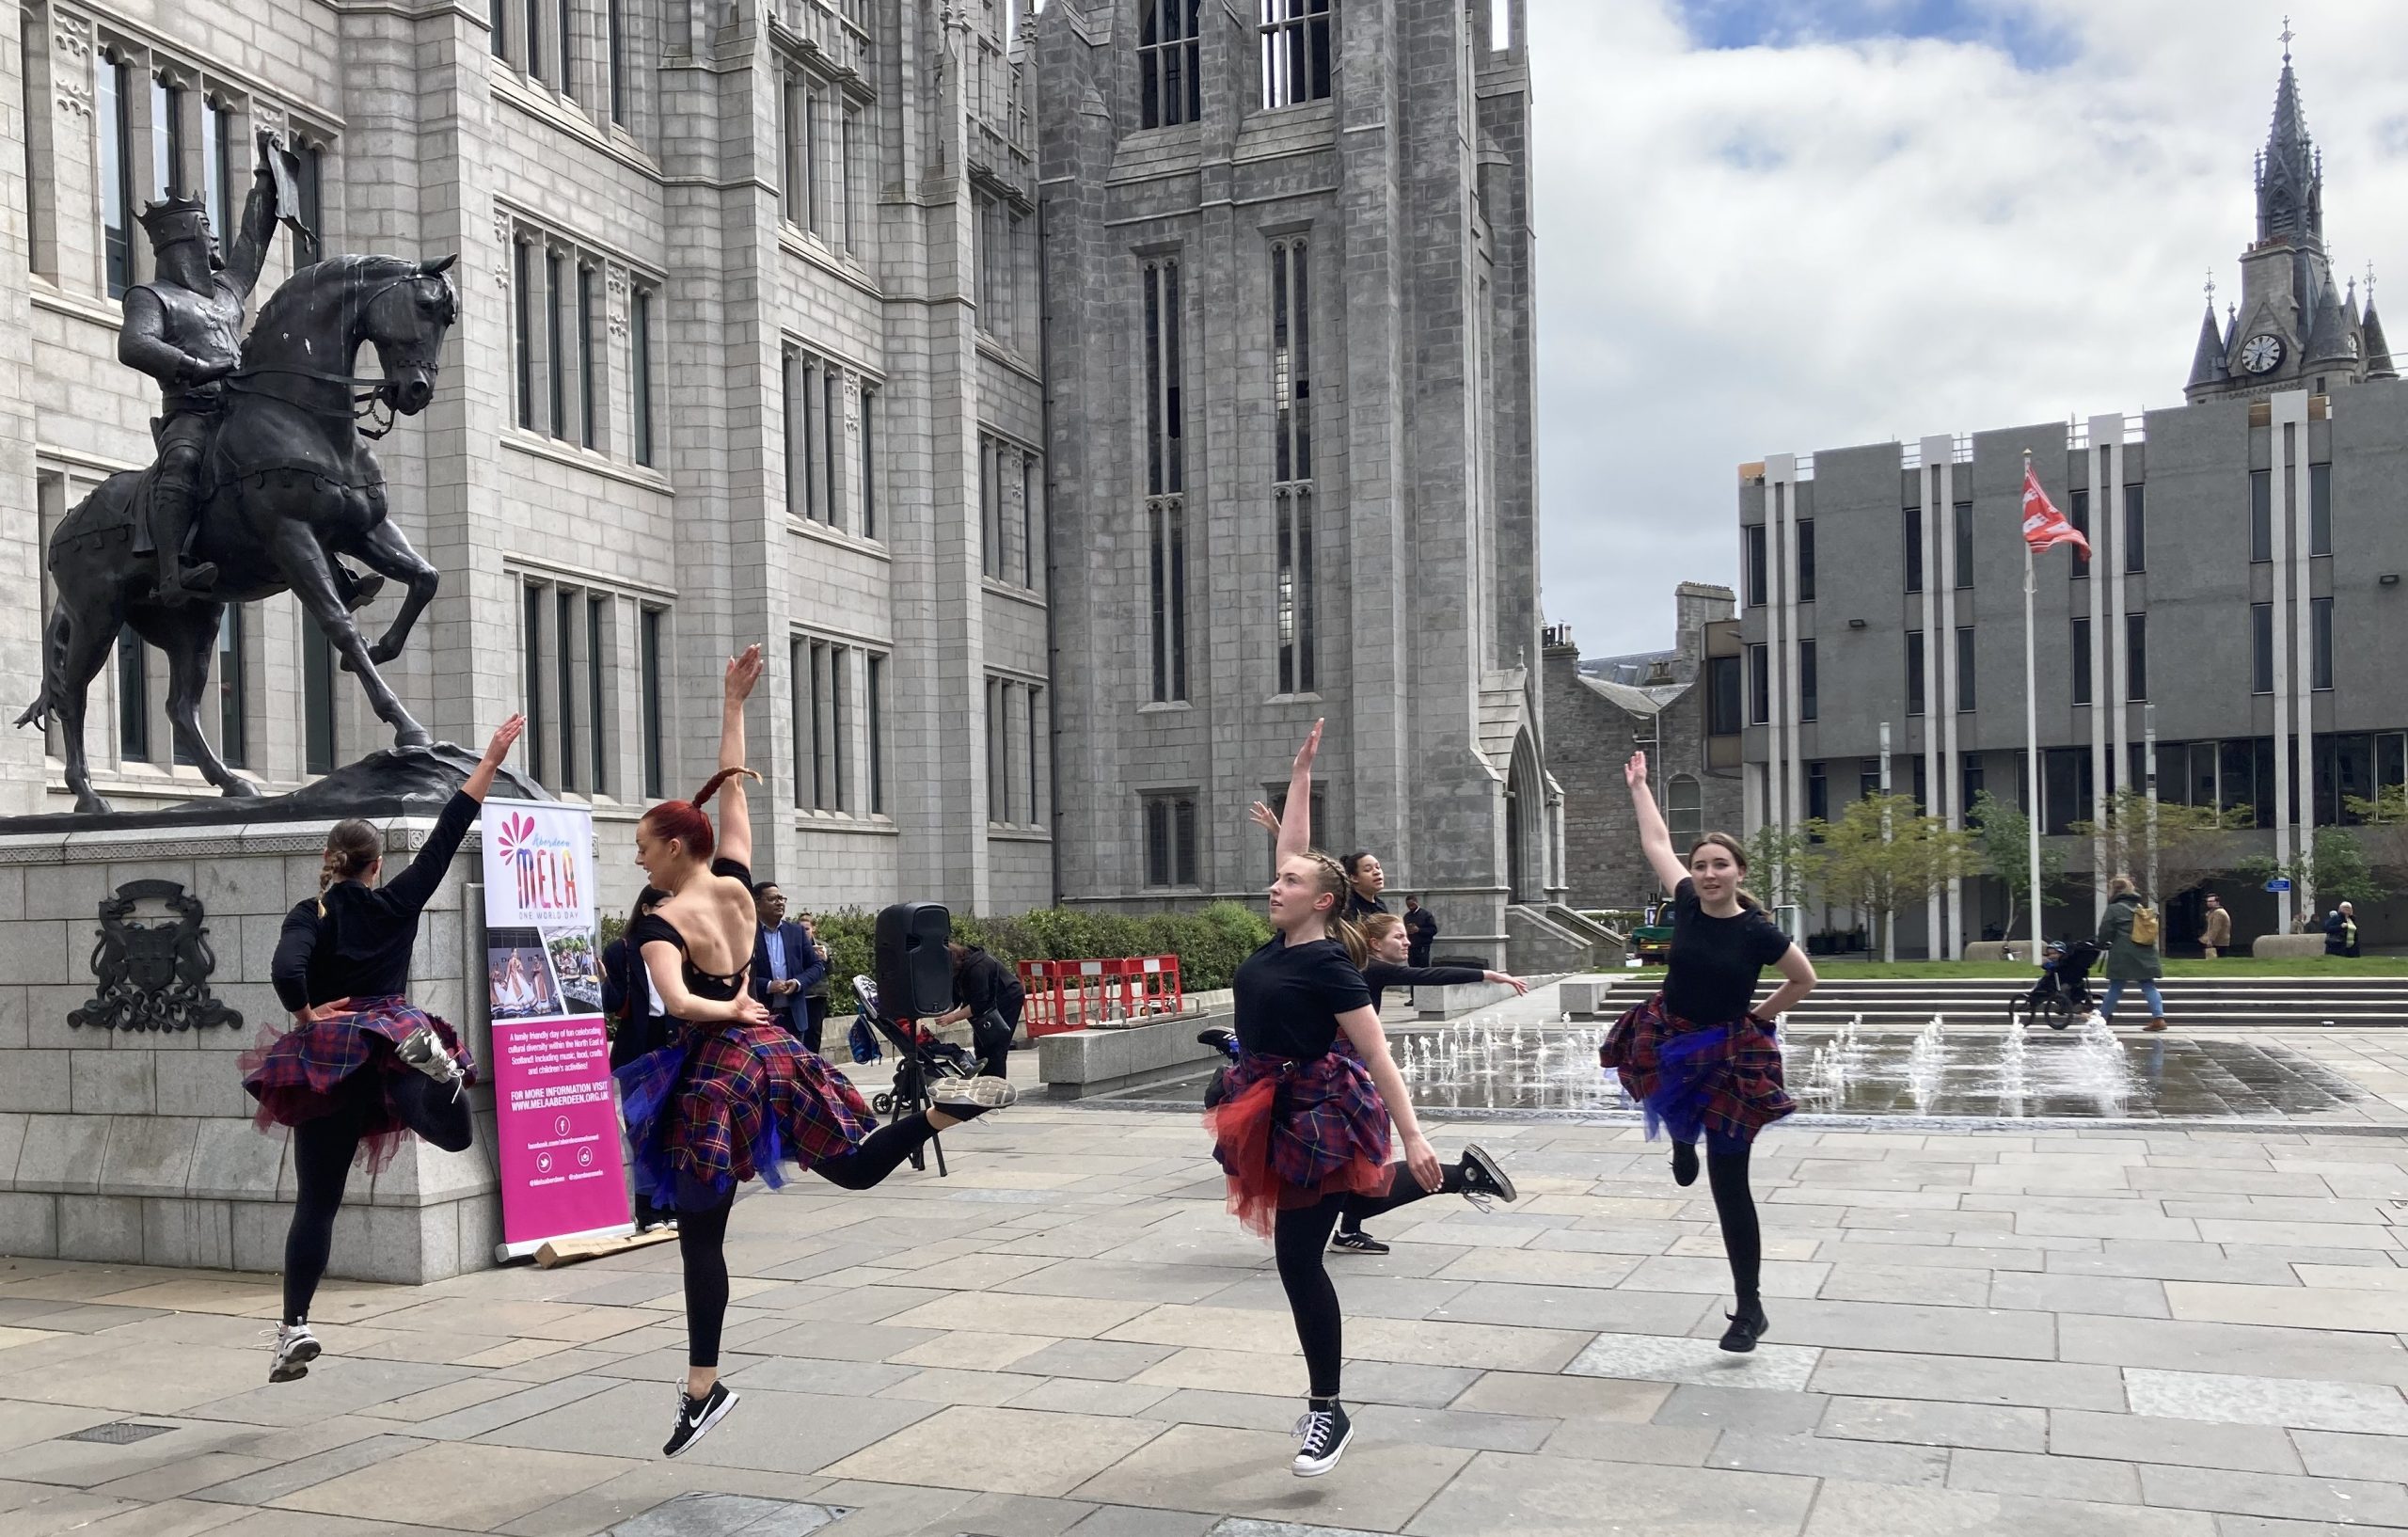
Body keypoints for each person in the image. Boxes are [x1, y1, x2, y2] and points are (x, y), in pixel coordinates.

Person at [616, 646, 1015, 1459]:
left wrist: (719, 1003)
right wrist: (733, 705)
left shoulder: (664, 918)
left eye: (644, 846)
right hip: (773, 1048)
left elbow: (680, 1001)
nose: (638, 858)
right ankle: (944, 1107)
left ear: (673, 848)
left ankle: (703, 1386)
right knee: (854, 1165)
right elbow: (733, 791)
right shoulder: (732, 882)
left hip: (718, 1066)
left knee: (701, 1237)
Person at [1205, 721, 1517, 1478]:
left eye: (1289, 883)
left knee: (1298, 1257)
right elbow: (1297, 846)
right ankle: (1463, 1180)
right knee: (1326, 1224)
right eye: (1277, 880)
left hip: (1316, 1108)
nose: (1274, 886)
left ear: (1322, 902)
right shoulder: (1281, 940)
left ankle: (1327, 1410)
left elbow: (1377, 1051)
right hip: (1266, 1097)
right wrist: (1303, 770)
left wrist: (1414, 1135)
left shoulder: (1331, 966)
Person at [242, 715, 525, 1385]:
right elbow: (450, 830)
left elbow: (286, 972)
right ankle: (441, 1086)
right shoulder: (397, 900)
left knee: (317, 1201)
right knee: (438, 1125)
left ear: (329, 861)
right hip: (394, 1035)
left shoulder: (308, 914)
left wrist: (307, 1010)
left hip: (332, 1053)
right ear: (376, 866)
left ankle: (296, 1326)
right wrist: (490, 756)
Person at [1600, 752, 1817, 1355]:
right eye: (1701, 866)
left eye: (1720, 865)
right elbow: (1656, 841)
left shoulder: (1758, 931)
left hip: (1728, 1054)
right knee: (1661, 1090)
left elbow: (1804, 980)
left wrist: (1758, 1019)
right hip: (1669, 1035)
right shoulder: (1688, 902)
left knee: (1731, 1184)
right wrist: (1640, 785)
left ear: (1740, 871)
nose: (1708, 874)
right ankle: (1678, 1137)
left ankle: (1749, 1309)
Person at [606, 887, 674, 1231]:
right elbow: (613, 1002)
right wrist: (600, 981)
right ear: (646, 909)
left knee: (671, 1125)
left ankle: (670, 1205)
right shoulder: (622, 950)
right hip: (637, 1045)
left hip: (672, 1042)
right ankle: (647, 1211)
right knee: (641, 1129)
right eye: (665, 906)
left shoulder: (678, 945)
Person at [933, 941, 1025, 1079]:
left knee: (996, 1043)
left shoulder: (977, 968)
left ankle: (994, 1082)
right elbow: (955, 997)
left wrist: (953, 1017)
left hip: (1007, 998)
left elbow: (979, 1004)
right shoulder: (959, 969)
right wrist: (939, 1011)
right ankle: (984, 1079)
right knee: (982, 1043)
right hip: (987, 1002)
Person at [750, 881, 826, 1047]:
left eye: (781, 898)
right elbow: (738, 975)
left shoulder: (796, 932)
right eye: (772, 899)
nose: (779, 902)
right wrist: (768, 986)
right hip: (762, 1017)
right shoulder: (747, 933)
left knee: (795, 1069)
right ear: (757, 904)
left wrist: (798, 982)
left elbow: (817, 967)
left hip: (794, 1018)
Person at [2097, 875, 2167, 1032]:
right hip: (2145, 950)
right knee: (2148, 985)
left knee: (2116, 986)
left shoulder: (2114, 909)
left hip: (2123, 952)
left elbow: (2106, 931)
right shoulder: (2139, 907)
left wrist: (2101, 943)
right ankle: (2159, 1018)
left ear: (2114, 891)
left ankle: (2102, 1019)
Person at [1340, 850, 1387, 923]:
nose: (1377, 872)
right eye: (1368, 870)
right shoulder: (1347, 908)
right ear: (1354, 878)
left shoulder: (1381, 906)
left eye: (1378, 867)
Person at [1402, 895, 1438, 969]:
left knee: (1423, 968)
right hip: (1411, 947)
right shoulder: (1406, 916)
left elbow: (1433, 930)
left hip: (1423, 946)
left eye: (1412, 905)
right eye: (1408, 906)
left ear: (1417, 903)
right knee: (1412, 968)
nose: (1410, 907)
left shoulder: (1426, 914)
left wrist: (1419, 930)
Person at [2201, 894, 2232, 959]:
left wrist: (2210, 940)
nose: (2209, 903)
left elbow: (2216, 928)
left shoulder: (2218, 912)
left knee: (2217, 959)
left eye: (2211, 901)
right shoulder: (2214, 912)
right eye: (2208, 901)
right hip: (2220, 941)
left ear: (2217, 902)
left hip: (2219, 942)